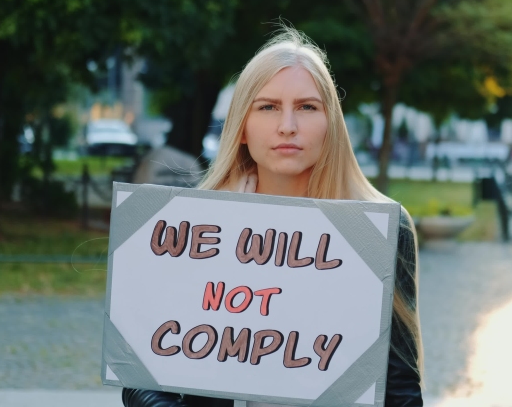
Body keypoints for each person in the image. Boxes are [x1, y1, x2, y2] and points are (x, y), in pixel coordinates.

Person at [122, 27, 424, 407]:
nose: (288, 126)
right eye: (267, 107)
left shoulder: (378, 230)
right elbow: (144, 371)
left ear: (331, 123)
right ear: (241, 127)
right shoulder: (194, 228)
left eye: (307, 107)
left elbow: (399, 387)